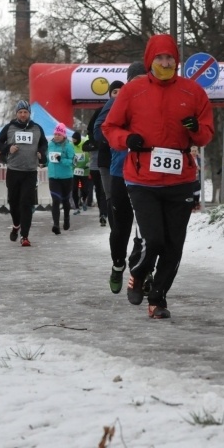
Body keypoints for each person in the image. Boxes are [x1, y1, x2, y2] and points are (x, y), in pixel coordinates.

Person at [103, 34, 214, 319]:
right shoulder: (133, 90)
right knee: (153, 240)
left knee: (174, 245)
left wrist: (193, 129)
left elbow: (206, 133)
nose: (165, 63)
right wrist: (128, 139)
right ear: (149, 61)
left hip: (180, 179)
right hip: (143, 179)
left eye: (170, 58)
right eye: (160, 58)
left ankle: (158, 299)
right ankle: (138, 273)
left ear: (177, 60)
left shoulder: (193, 92)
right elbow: (110, 127)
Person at [95, 63, 147, 295]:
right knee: (121, 228)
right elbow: (99, 130)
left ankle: (146, 271)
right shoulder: (116, 101)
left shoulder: (155, 101)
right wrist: (123, 138)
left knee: (149, 228)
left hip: (149, 175)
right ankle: (118, 264)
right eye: (136, 79)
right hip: (121, 171)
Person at [0, 100, 48, 247]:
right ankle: (16, 224)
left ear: (29, 113)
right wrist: (8, 147)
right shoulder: (10, 127)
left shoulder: (37, 128)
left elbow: (44, 143)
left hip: (30, 172)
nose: (23, 115)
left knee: (26, 203)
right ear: (16, 113)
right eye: (20, 112)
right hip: (13, 170)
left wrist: (41, 153)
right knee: (13, 202)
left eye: (25, 112)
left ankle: (25, 236)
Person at [46, 123, 75, 234]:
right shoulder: (50, 145)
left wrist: (61, 160)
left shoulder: (68, 146)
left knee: (65, 201)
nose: (57, 136)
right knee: (56, 201)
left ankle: (66, 218)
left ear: (64, 135)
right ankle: (56, 225)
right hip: (53, 177)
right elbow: (48, 158)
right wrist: (43, 162)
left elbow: (72, 162)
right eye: (55, 134)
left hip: (66, 178)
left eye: (59, 134)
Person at [85, 106, 108, 226]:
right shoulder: (93, 134)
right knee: (99, 190)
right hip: (95, 166)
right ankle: (102, 211)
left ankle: (105, 213)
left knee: (105, 190)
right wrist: (94, 144)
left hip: (107, 163)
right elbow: (85, 144)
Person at [71, 131, 91, 215]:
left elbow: (89, 153)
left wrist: (89, 162)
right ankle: (76, 207)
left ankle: (84, 199)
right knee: (74, 189)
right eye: (73, 139)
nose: (74, 141)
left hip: (84, 170)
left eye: (75, 139)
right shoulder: (71, 146)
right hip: (74, 171)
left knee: (85, 189)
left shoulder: (84, 144)